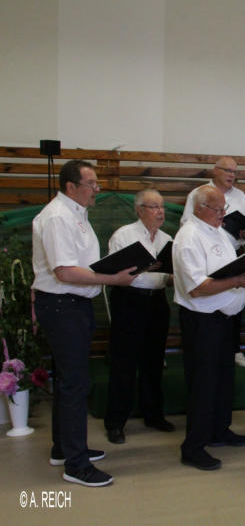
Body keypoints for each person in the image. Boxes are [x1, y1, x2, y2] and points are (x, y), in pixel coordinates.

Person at [32, 159, 138, 487]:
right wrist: (113, 278)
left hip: (73, 305)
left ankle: (63, 448)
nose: (97, 189)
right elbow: (64, 272)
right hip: (63, 306)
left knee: (70, 380)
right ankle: (76, 465)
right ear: (71, 187)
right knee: (75, 384)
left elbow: (79, 264)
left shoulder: (75, 214)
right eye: (91, 184)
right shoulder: (58, 216)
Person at [173, 185, 245, 470]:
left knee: (223, 379)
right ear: (200, 208)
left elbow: (226, 269)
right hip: (202, 320)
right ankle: (193, 447)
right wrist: (238, 281)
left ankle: (219, 429)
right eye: (218, 209)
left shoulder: (219, 232)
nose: (224, 213)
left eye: (225, 208)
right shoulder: (189, 237)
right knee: (203, 383)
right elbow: (197, 288)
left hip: (224, 318)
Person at [104, 189, 175, 445]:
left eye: (162, 206)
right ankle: (116, 422)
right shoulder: (124, 235)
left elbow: (167, 275)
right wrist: (145, 268)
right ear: (139, 210)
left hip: (157, 300)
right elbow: (114, 273)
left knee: (154, 360)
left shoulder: (167, 239)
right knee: (124, 362)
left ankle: (153, 414)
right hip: (129, 300)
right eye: (154, 207)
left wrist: (173, 276)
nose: (160, 212)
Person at [181, 156, 245, 368]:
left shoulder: (240, 196)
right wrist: (214, 227)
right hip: (207, 254)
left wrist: (244, 232)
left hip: (232, 250)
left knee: (234, 299)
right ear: (215, 171)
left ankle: (235, 349)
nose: (232, 175)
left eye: (235, 172)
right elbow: (188, 221)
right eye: (227, 170)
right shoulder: (199, 194)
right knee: (213, 297)